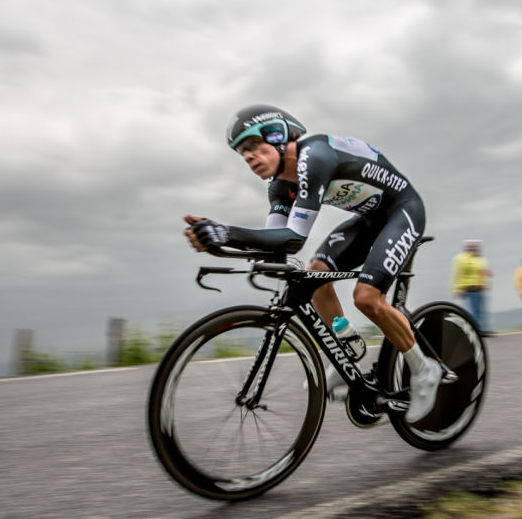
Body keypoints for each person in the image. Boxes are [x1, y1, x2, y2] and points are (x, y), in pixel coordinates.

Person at [184, 104, 442, 423]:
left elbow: (293, 238)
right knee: (315, 275)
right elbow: (274, 241)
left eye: (252, 145)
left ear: (278, 136)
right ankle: (346, 348)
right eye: (242, 152)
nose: (248, 156)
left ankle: (424, 370)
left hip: (402, 211)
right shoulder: (280, 186)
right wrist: (219, 240)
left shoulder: (314, 156)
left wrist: (226, 232)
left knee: (366, 298)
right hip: (369, 219)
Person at [452, 239, 490, 335]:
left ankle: (480, 329)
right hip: (470, 288)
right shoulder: (461, 259)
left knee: (479, 311)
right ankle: (475, 330)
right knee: (472, 311)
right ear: (467, 247)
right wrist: (457, 289)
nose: (474, 248)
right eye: (472, 246)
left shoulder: (478, 259)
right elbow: (457, 274)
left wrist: (485, 282)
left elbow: (482, 272)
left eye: (475, 247)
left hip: (479, 288)